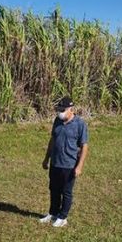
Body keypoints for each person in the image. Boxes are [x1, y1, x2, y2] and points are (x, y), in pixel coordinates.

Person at [40, 96, 89, 228]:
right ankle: (53, 213)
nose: (59, 113)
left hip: (69, 165)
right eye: (59, 110)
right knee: (54, 190)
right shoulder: (57, 121)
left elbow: (84, 146)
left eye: (62, 110)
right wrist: (46, 158)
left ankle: (63, 217)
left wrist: (79, 166)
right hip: (55, 163)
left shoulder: (80, 124)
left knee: (66, 192)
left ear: (70, 109)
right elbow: (53, 140)